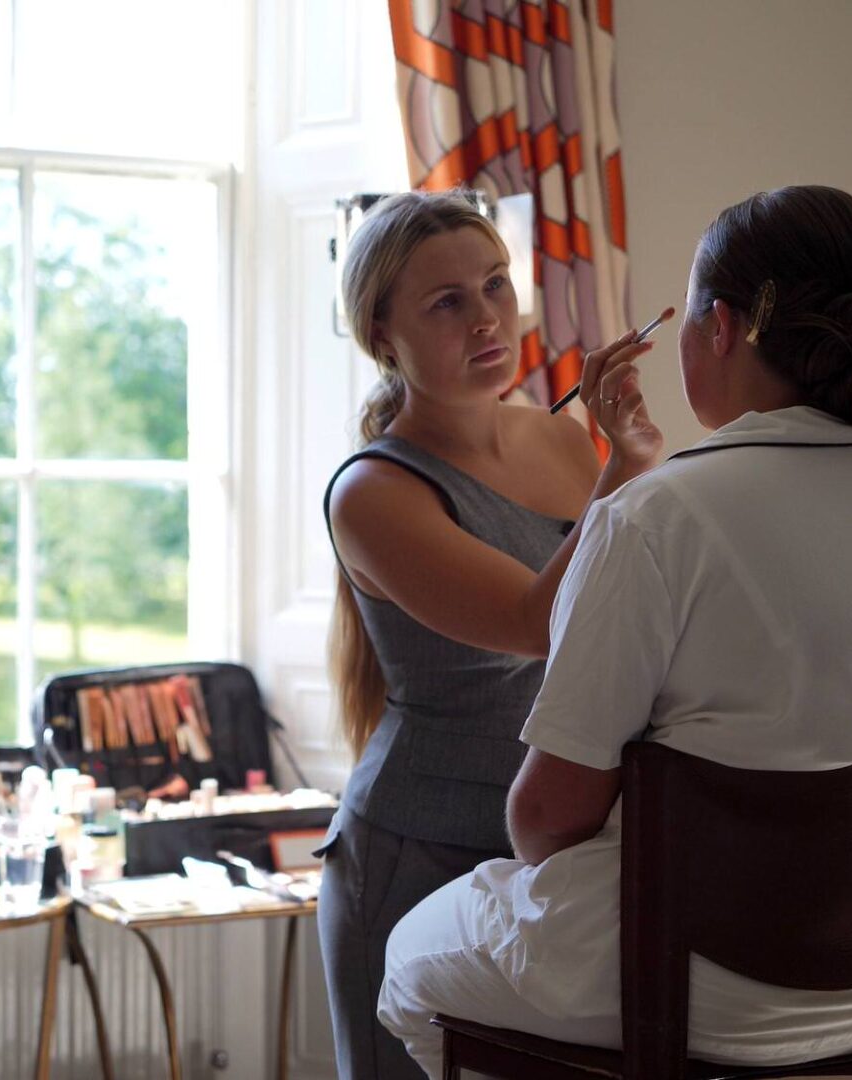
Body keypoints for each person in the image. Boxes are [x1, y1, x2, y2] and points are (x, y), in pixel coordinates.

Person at [375, 185, 852, 1077]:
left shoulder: (655, 520)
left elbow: (546, 821)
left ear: (720, 329)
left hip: (688, 977)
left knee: (408, 963)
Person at [318, 190, 665, 1078]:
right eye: (447, 302)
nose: (486, 319)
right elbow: (537, 622)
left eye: (496, 285)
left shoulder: (560, 443)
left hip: (557, 848)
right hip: (418, 850)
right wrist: (626, 471)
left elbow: (632, 609)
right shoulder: (372, 491)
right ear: (381, 333)